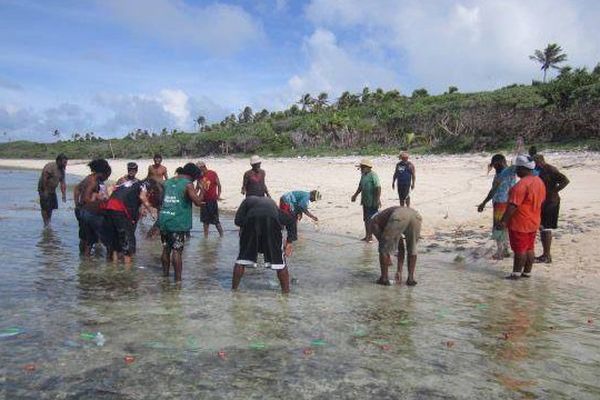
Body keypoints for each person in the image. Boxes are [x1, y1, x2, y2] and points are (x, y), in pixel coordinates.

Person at [232, 196, 297, 294]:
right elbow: (291, 220)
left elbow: (238, 220)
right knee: (279, 262)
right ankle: (286, 293)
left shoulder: (246, 201)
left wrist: (245, 229)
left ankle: (234, 291)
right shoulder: (272, 204)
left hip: (252, 221)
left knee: (242, 260)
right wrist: (289, 242)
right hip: (272, 222)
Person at [497, 155, 546, 279]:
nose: (516, 171)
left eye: (518, 168)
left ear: (524, 168)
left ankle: (515, 274)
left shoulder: (521, 185)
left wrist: (503, 221)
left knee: (519, 250)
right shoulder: (539, 181)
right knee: (529, 248)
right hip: (533, 221)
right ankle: (527, 273)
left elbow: (512, 205)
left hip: (520, 223)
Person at [158, 163, 204, 282]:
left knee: (165, 248)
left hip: (164, 219)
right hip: (177, 222)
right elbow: (198, 202)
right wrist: (202, 189)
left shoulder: (167, 182)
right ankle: (178, 281)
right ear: (192, 176)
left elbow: (162, 199)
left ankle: (165, 276)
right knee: (177, 251)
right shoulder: (188, 185)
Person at [102, 178, 160, 263]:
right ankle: (128, 271)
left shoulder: (130, 183)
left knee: (115, 240)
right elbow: (142, 196)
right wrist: (151, 210)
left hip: (109, 206)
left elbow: (110, 188)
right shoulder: (145, 185)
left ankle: (114, 265)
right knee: (128, 241)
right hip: (120, 208)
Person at [370, 206, 422, 286]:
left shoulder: (374, 222)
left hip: (399, 216)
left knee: (383, 249)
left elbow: (384, 246)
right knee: (412, 248)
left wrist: (387, 256)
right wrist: (399, 271)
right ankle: (410, 279)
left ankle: (384, 278)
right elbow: (401, 248)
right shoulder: (386, 214)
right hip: (415, 215)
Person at [478, 154, 517, 259]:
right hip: (507, 203)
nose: (494, 167)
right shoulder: (502, 173)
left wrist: (484, 202)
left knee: (498, 227)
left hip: (501, 204)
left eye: (495, 165)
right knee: (505, 227)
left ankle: (500, 252)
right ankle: (505, 249)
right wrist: (484, 202)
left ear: (500, 162)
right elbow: (493, 190)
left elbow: (493, 190)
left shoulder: (507, 172)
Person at [533, 154, 570, 264]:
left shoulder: (550, 169)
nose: (535, 164)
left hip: (551, 202)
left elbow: (565, 180)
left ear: (541, 161)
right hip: (544, 202)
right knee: (543, 228)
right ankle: (546, 254)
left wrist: (554, 191)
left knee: (546, 228)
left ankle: (547, 255)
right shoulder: (538, 170)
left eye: (536, 162)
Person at [77, 159, 112, 256]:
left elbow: (76, 190)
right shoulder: (93, 182)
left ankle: (84, 262)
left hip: (83, 212)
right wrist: (100, 203)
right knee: (107, 239)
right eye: (107, 176)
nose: (106, 178)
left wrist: (77, 207)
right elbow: (86, 199)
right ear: (102, 173)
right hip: (91, 213)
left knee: (87, 240)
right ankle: (110, 264)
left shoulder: (88, 178)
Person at [351, 159, 381, 242]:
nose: (361, 169)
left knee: (373, 219)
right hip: (365, 201)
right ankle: (368, 236)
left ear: (367, 167)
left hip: (372, 201)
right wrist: (355, 195)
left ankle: (373, 237)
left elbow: (378, 187)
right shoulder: (363, 175)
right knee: (366, 219)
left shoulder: (373, 175)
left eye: (362, 167)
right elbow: (360, 186)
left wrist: (377, 200)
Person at [38, 154, 68, 226]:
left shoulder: (62, 170)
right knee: (45, 207)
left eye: (66, 162)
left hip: (52, 190)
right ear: (58, 161)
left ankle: (48, 222)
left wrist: (63, 195)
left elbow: (63, 183)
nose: (65, 164)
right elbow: (44, 178)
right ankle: (46, 223)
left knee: (51, 207)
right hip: (43, 188)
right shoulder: (50, 167)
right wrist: (45, 191)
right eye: (64, 162)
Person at [196, 161, 224, 237]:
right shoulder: (199, 177)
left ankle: (221, 235)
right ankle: (205, 237)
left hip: (212, 200)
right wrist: (194, 197)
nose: (198, 170)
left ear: (203, 167)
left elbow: (219, 185)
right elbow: (197, 189)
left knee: (215, 220)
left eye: (198, 168)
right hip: (203, 201)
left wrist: (218, 195)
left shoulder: (212, 173)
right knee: (205, 221)